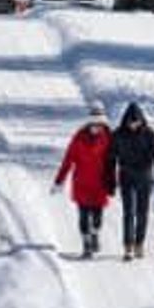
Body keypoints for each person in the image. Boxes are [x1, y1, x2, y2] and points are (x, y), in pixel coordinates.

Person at [53, 101, 115, 259]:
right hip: (82, 183)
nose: (97, 127)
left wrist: (118, 178)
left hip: (100, 184)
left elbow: (116, 159)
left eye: (100, 123)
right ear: (89, 122)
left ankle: (95, 234)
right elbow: (68, 160)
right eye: (94, 123)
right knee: (83, 215)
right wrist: (59, 181)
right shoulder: (79, 137)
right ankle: (86, 245)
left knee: (97, 216)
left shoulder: (109, 137)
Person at [108, 101, 154, 260]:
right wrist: (110, 180)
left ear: (141, 120)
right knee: (129, 212)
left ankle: (139, 244)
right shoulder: (118, 135)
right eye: (130, 122)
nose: (133, 125)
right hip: (126, 177)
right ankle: (128, 246)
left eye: (136, 122)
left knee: (142, 213)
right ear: (125, 121)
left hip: (145, 178)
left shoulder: (150, 134)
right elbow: (110, 160)